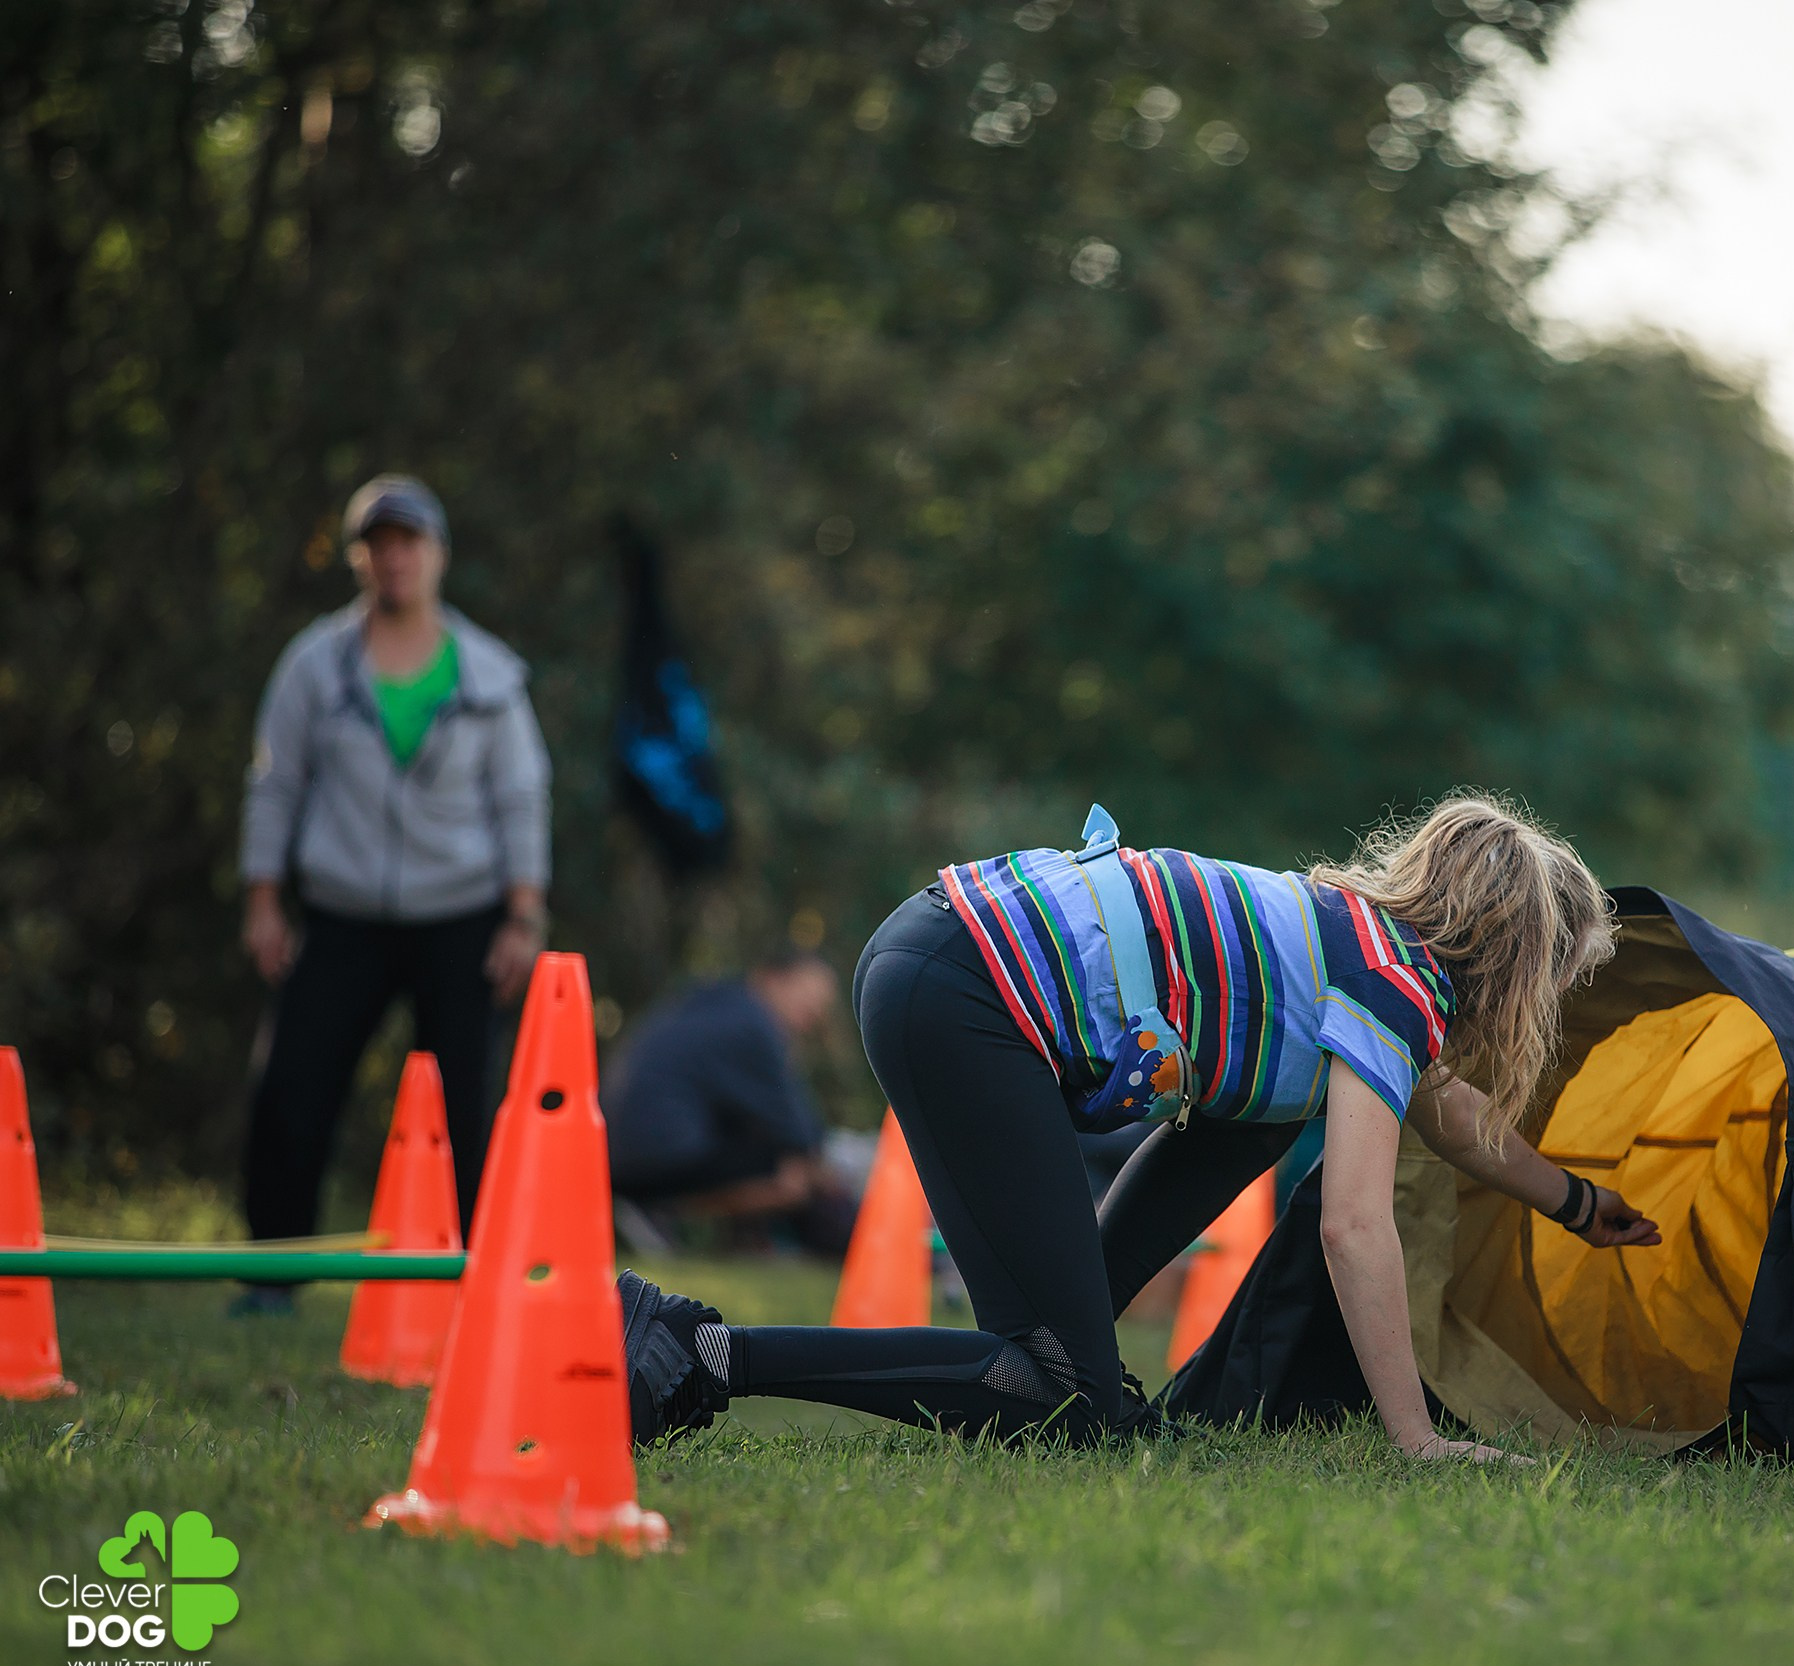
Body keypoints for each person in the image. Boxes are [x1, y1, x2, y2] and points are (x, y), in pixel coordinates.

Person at [618, 793, 1662, 1460]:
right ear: (1518, 967)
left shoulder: (1356, 947)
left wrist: (1577, 1204)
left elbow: (1454, 1118)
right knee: (1060, 1400)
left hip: (938, 950)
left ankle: (1079, 1353)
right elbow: (1353, 1225)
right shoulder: (1394, 987)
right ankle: (697, 1350)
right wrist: (1417, 1437)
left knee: (1069, 1380)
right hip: (970, 992)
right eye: (1558, 987)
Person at [235, 475, 551, 1310]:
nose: (395, 557)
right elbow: (274, 784)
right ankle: (274, 1277)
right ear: (358, 559)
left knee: (471, 1107)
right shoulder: (314, 664)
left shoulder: (489, 675)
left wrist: (523, 915)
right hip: (343, 916)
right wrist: (264, 900)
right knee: (291, 1089)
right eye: (379, 542)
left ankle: (482, 1281)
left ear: (438, 555)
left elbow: (522, 798)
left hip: (463, 917)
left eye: (410, 541)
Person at [603, 949, 855, 1254]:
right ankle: (660, 1210)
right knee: (791, 1172)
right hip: (654, 1160)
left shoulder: (716, 1005)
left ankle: (664, 1213)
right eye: (807, 999)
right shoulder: (754, 1023)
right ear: (773, 979)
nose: (813, 1014)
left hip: (617, 1152)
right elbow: (799, 1131)